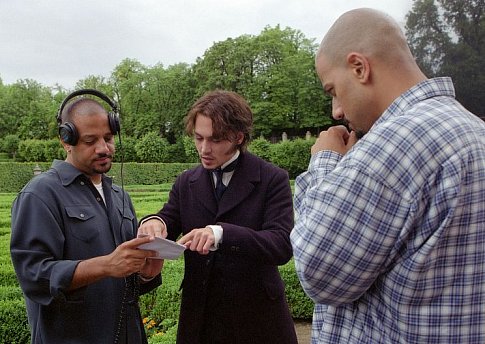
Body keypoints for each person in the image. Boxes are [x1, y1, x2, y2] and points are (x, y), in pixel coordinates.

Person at [290, 8, 485, 344]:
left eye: (333, 90)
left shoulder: (397, 141)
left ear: (359, 67)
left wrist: (324, 162)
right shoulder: (473, 128)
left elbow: (318, 272)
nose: (336, 110)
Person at [138, 90, 297, 344]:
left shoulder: (272, 179)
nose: (204, 149)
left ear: (238, 137)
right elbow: (169, 217)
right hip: (200, 319)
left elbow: (280, 245)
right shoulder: (185, 181)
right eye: (198, 138)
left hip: (257, 319)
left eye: (214, 140)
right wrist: (154, 222)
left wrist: (221, 233)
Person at [10, 90, 163, 344]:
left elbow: (126, 281)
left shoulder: (119, 195)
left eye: (108, 138)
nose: (104, 148)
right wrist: (105, 265)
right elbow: (34, 276)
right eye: (91, 141)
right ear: (66, 140)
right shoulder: (40, 195)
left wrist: (146, 272)